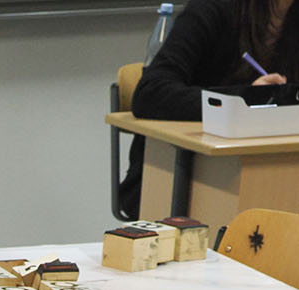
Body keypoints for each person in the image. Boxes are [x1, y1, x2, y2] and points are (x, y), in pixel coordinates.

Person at [121, 0, 295, 217]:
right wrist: (239, 101)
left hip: (273, 174)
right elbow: (150, 92)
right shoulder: (211, 9)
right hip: (182, 176)